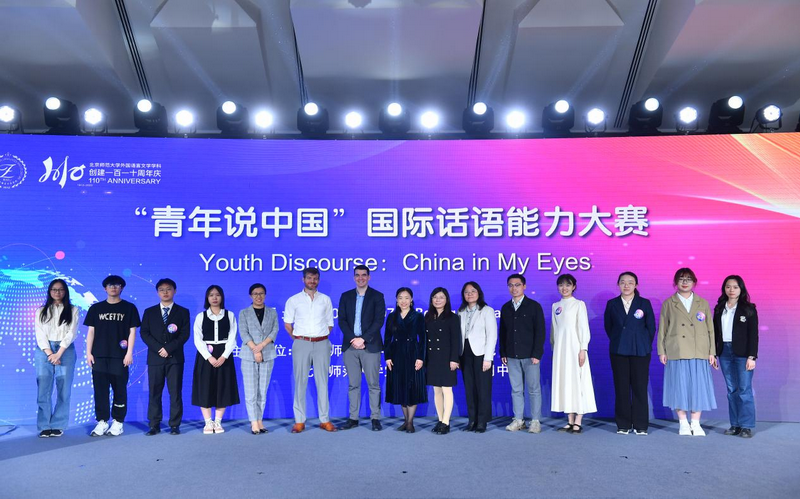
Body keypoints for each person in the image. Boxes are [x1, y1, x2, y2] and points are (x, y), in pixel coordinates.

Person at [658, 268, 717, 436]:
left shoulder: (702, 303)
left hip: (699, 350)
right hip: (677, 349)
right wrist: (662, 351)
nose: (685, 282)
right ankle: (683, 423)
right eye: (681, 279)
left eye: (689, 279)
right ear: (675, 282)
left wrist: (712, 351)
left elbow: (710, 329)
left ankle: (696, 423)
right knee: (679, 386)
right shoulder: (669, 303)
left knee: (698, 387)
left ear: (694, 282)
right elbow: (663, 329)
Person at [84, 275, 141, 437]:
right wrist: (88, 353)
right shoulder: (96, 308)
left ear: (121, 287)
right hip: (99, 356)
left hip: (120, 357)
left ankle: (118, 422)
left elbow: (132, 332)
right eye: (110, 285)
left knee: (119, 389)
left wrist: (129, 353)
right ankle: (102, 421)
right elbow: (91, 332)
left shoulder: (129, 308)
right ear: (105, 288)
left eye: (117, 285)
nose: (113, 287)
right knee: (100, 390)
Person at [284, 267, 336, 433]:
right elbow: (288, 324)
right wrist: (299, 339)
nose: (312, 281)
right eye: (309, 278)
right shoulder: (293, 300)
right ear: (303, 279)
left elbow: (330, 324)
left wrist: (320, 337)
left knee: (323, 383)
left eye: (315, 278)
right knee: (300, 382)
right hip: (301, 343)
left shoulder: (325, 299)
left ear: (318, 280)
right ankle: (299, 421)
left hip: (322, 343)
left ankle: (324, 420)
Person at [603, 271, 656, 435]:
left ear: (636, 285)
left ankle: (641, 425)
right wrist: (620, 340)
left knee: (640, 387)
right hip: (619, 350)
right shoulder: (612, 304)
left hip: (640, 350)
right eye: (623, 282)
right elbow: (609, 327)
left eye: (630, 282)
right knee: (621, 387)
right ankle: (623, 424)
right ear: (618, 284)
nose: (626, 285)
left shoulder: (644, 303)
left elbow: (651, 328)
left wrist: (642, 342)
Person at [140, 278, 191, 436]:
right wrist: (159, 349)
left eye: (168, 289)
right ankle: (154, 425)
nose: (165, 292)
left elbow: (184, 334)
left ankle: (175, 425)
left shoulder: (183, 311)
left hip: (175, 359)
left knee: (175, 392)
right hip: (155, 359)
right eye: (161, 290)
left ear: (174, 291)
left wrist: (168, 349)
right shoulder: (149, 312)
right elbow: (144, 333)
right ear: (157, 293)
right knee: (154, 392)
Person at [339, 265, 386, 431]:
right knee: (353, 384)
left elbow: (378, 321)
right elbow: (342, 320)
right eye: (357, 275)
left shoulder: (377, 296)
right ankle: (353, 418)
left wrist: (363, 339)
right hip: (350, 346)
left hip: (370, 345)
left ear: (369, 277)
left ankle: (375, 418)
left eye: (364, 275)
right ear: (354, 278)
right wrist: (353, 339)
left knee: (373, 384)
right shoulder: (346, 296)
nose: (361, 278)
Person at [499, 273, 546, 433]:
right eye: (511, 285)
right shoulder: (506, 307)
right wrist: (503, 352)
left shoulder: (534, 306)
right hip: (512, 355)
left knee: (533, 389)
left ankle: (535, 421)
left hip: (530, 356)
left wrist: (537, 353)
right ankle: (518, 419)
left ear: (524, 286)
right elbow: (503, 332)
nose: (514, 288)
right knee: (516, 390)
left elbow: (540, 332)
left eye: (517, 285)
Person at [713, 275, 759, 438]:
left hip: (743, 354)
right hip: (724, 353)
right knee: (731, 389)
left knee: (744, 389)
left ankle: (746, 426)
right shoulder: (719, 308)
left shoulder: (749, 309)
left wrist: (752, 357)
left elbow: (753, 335)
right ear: (724, 289)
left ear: (741, 289)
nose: (731, 290)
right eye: (728, 287)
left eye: (735, 287)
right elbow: (715, 333)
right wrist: (713, 353)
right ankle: (735, 424)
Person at [551, 274, 597, 434]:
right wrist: (555, 349)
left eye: (568, 285)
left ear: (574, 287)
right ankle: (569, 420)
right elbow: (555, 330)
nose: (564, 288)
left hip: (575, 349)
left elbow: (583, 327)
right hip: (560, 351)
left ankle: (578, 420)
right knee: (565, 382)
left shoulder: (579, 304)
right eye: (561, 285)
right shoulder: (555, 306)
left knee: (578, 382)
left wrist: (583, 349)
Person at [34, 278, 79, 438]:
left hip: (65, 350)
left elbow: (72, 333)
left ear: (65, 291)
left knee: (64, 389)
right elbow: (39, 334)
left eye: (60, 289)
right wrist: (49, 354)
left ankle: (58, 424)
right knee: (43, 388)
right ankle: (44, 425)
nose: (57, 292)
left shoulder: (73, 310)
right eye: (54, 289)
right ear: (49, 291)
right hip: (44, 351)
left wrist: (58, 354)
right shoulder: (41, 310)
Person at [192, 285, 240, 434]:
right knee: (204, 387)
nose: (214, 298)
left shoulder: (230, 315)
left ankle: (218, 422)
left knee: (223, 387)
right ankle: (208, 422)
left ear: (222, 297)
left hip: (224, 354)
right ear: (207, 298)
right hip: (206, 356)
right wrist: (209, 357)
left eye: (217, 295)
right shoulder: (201, 316)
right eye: (211, 295)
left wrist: (224, 355)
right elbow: (197, 339)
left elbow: (232, 337)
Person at [384, 287, 426, 433]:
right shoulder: (392, 316)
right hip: (396, 356)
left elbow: (423, 339)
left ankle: (410, 422)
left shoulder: (418, 316)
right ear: (396, 300)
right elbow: (387, 338)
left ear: (411, 300)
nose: (403, 301)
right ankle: (406, 420)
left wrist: (420, 357)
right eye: (400, 298)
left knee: (412, 388)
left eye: (407, 298)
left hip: (413, 354)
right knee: (400, 388)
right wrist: (387, 357)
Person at [239, 283, 279, 435]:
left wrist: (261, 346)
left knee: (263, 390)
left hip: (267, 354)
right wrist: (255, 349)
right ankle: (253, 421)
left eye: (261, 293)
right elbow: (243, 333)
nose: (258, 296)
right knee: (251, 391)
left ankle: (260, 420)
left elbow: (275, 330)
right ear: (250, 296)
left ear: (265, 295)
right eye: (255, 294)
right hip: (248, 356)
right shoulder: (244, 313)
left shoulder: (272, 312)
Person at [457, 281, 497, 433]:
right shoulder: (460, 311)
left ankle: (482, 421)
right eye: (466, 292)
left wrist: (488, 358)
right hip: (465, 353)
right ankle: (472, 420)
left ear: (479, 293)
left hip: (481, 354)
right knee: (469, 388)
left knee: (483, 388)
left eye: (473, 291)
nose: (470, 294)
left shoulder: (487, 311)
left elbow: (492, 335)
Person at [424, 287, 461, 435]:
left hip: (447, 358)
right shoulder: (428, 316)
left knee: (447, 389)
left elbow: (456, 340)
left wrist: (454, 359)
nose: (438, 300)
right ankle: (440, 420)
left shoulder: (452, 317)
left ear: (446, 300)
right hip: (432, 358)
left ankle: (446, 422)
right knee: (436, 390)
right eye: (435, 297)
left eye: (441, 297)